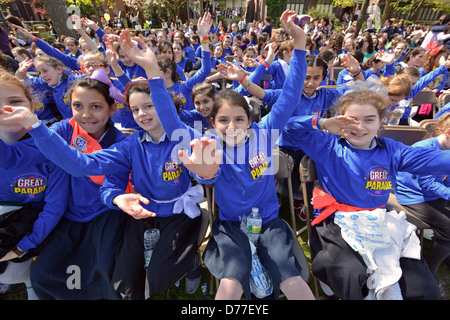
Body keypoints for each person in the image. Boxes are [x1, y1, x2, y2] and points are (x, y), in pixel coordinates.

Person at [128, 10, 315, 300]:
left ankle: (264, 267)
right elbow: (170, 121)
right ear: (213, 123)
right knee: (232, 279)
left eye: (239, 119)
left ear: (250, 121)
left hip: (269, 222)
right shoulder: (207, 143)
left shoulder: (265, 135)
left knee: (289, 275)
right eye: (223, 120)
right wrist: (153, 73)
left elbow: (290, 95)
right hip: (229, 226)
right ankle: (250, 268)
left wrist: (300, 45)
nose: (232, 126)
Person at [279, 89, 446, 300]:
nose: (359, 127)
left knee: (421, 286)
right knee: (350, 274)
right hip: (337, 222)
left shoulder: (391, 150)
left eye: (369, 120)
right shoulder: (328, 145)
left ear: (380, 121)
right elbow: (288, 127)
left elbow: (435, 161)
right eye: (351, 120)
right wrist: (321, 123)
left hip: (379, 220)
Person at [0, 71, 130, 300]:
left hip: (105, 214)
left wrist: (34, 125)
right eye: (77, 105)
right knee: (43, 274)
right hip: (69, 215)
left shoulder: (122, 143)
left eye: (96, 107)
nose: (86, 115)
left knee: (106, 271)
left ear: (111, 109)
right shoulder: (63, 130)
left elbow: (87, 169)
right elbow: (15, 157)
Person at [0, 72, 69, 300]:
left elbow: (54, 208)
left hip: (34, 227)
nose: (6, 109)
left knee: (12, 275)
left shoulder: (52, 146)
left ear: (32, 105)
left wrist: (23, 247)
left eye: (15, 102)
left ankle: (31, 281)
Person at [394, 114, 450, 298]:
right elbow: (427, 184)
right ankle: (429, 270)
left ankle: (445, 255)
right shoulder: (425, 149)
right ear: (448, 133)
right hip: (414, 196)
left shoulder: (445, 148)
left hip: (431, 195)